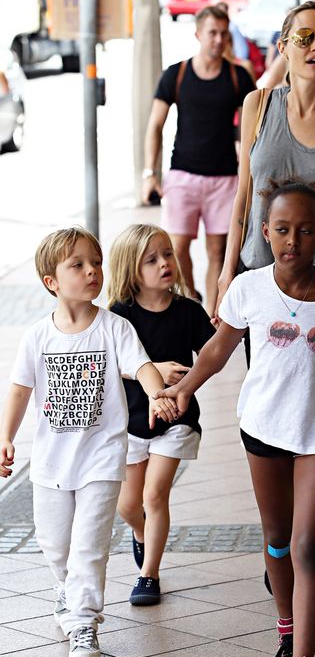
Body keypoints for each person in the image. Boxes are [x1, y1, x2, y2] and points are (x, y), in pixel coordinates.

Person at [158, 181, 315, 657]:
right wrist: (183, 388)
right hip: (263, 429)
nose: (293, 240)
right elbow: (217, 348)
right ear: (265, 233)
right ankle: (286, 627)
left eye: (306, 230)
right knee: (278, 542)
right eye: (282, 229)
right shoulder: (249, 288)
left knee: (309, 548)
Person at [215, 0, 315, 599]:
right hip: (266, 291)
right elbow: (241, 203)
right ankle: (281, 544)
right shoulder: (258, 106)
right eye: (304, 36)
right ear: (283, 44)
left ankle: (313, 551)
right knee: (271, 416)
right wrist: (224, 275)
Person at [0, 227, 177, 657]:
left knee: (88, 545)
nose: (91, 271)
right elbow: (20, 390)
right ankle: (66, 591)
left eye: (95, 262)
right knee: (55, 543)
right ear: (52, 282)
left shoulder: (114, 327)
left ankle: (84, 624)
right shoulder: (38, 337)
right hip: (50, 464)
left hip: (101, 458)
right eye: (77, 265)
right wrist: (5, 436)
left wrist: (157, 393)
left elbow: (142, 366)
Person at [108, 225, 215, 606]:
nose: (164, 264)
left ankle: (148, 575)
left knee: (155, 496)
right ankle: (141, 534)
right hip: (132, 420)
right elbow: (107, 362)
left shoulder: (188, 311)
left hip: (177, 419)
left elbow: (212, 357)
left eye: (167, 254)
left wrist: (184, 388)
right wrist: (152, 368)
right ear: (130, 270)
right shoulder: (119, 316)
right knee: (127, 505)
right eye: (151, 260)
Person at [141, 5, 255, 315]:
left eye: (223, 33)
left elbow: (249, 132)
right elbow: (155, 125)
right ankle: (192, 304)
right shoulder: (176, 74)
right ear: (198, 34)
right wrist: (150, 172)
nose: (218, 40)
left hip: (224, 178)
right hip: (182, 175)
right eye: (212, 33)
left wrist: (249, 175)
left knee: (218, 251)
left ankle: (213, 317)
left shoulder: (238, 77)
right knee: (177, 249)